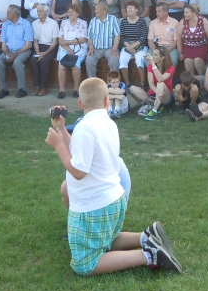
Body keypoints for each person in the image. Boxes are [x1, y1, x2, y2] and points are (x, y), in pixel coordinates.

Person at [45, 80, 182, 276]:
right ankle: (147, 237)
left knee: (85, 265)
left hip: (94, 207)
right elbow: (78, 151)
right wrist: (61, 129)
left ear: (80, 104)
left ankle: (151, 255)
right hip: (111, 200)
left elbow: (78, 171)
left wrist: (58, 145)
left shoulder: (85, 127)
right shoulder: (107, 123)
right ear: (107, 101)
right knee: (105, 241)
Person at [129, 46, 176, 121]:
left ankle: (154, 110)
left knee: (160, 84)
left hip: (166, 97)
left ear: (162, 57)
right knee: (132, 89)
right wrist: (156, 90)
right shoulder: (150, 66)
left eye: (155, 55)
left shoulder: (170, 68)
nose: (153, 56)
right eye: (153, 54)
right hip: (153, 96)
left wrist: (152, 64)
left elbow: (160, 79)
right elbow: (151, 84)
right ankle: (155, 104)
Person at [57, 4, 89, 99]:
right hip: (65, 48)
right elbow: (60, 40)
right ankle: (62, 90)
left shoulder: (83, 23)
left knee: (76, 64)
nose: (70, 13)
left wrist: (69, 42)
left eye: (72, 11)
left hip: (80, 48)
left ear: (77, 13)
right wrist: (68, 48)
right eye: (69, 11)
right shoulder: (64, 23)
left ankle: (76, 89)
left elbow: (83, 39)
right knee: (61, 65)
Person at [85, 2, 121, 81]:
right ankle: (93, 83)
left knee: (114, 59)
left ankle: (114, 83)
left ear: (104, 11)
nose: (95, 11)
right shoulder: (93, 21)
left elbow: (117, 35)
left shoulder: (112, 19)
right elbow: (90, 37)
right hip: (96, 49)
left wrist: (114, 48)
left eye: (97, 10)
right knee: (89, 60)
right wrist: (91, 48)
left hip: (110, 48)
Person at [30, 3, 60, 96]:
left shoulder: (53, 23)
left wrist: (44, 53)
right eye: (37, 11)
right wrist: (38, 52)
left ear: (47, 12)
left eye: (41, 11)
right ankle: (37, 86)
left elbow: (55, 41)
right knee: (33, 60)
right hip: (38, 47)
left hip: (50, 48)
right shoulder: (34, 23)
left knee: (44, 61)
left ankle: (44, 87)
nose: (38, 13)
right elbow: (35, 41)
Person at [118, 1, 149, 88]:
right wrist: (129, 47)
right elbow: (122, 37)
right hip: (127, 46)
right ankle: (127, 84)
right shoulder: (123, 21)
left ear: (136, 10)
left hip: (140, 46)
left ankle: (143, 84)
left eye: (132, 8)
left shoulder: (142, 21)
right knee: (122, 60)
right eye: (128, 8)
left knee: (140, 60)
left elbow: (143, 37)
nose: (129, 9)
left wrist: (132, 46)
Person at [177, 4, 208, 76]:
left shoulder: (203, 21)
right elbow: (179, 39)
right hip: (187, 47)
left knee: (198, 60)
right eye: (184, 12)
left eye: (187, 13)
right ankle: (191, 82)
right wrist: (180, 53)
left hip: (201, 46)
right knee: (187, 61)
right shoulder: (183, 21)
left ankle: (201, 80)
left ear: (194, 13)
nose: (184, 14)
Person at [148, 2, 180, 67]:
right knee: (148, 60)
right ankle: (154, 77)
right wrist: (155, 51)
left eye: (159, 11)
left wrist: (165, 52)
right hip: (156, 47)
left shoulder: (175, 22)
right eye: (156, 11)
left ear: (166, 12)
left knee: (173, 61)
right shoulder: (152, 23)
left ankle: (168, 77)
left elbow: (176, 41)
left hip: (170, 48)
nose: (157, 13)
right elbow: (150, 40)